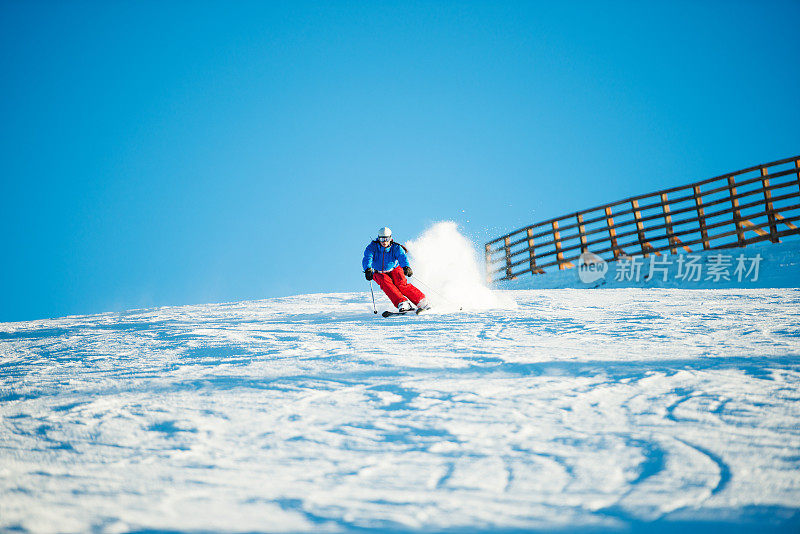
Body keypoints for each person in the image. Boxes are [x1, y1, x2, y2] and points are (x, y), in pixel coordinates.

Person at [363, 227, 429, 312]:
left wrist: (406, 267)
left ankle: (421, 301)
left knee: (401, 283)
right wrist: (368, 269)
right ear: (378, 238)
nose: (384, 242)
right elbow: (367, 258)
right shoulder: (372, 247)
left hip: (394, 269)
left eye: (386, 239)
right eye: (382, 239)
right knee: (386, 284)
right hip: (379, 272)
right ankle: (402, 303)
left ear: (390, 238)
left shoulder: (396, 247)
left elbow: (402, 257)